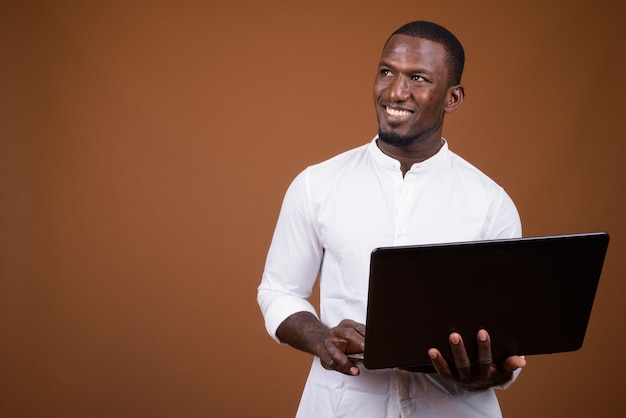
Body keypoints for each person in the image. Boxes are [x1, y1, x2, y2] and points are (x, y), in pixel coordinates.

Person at [257, 20, 527, 417]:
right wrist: (320, 336)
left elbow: (507, 339)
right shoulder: (317, 184)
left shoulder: (491, 204)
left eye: (418, 78)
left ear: (452, 98)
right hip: (340, 405)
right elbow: (277, 291)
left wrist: (490, 373)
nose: (395, 92)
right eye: (387, 72)